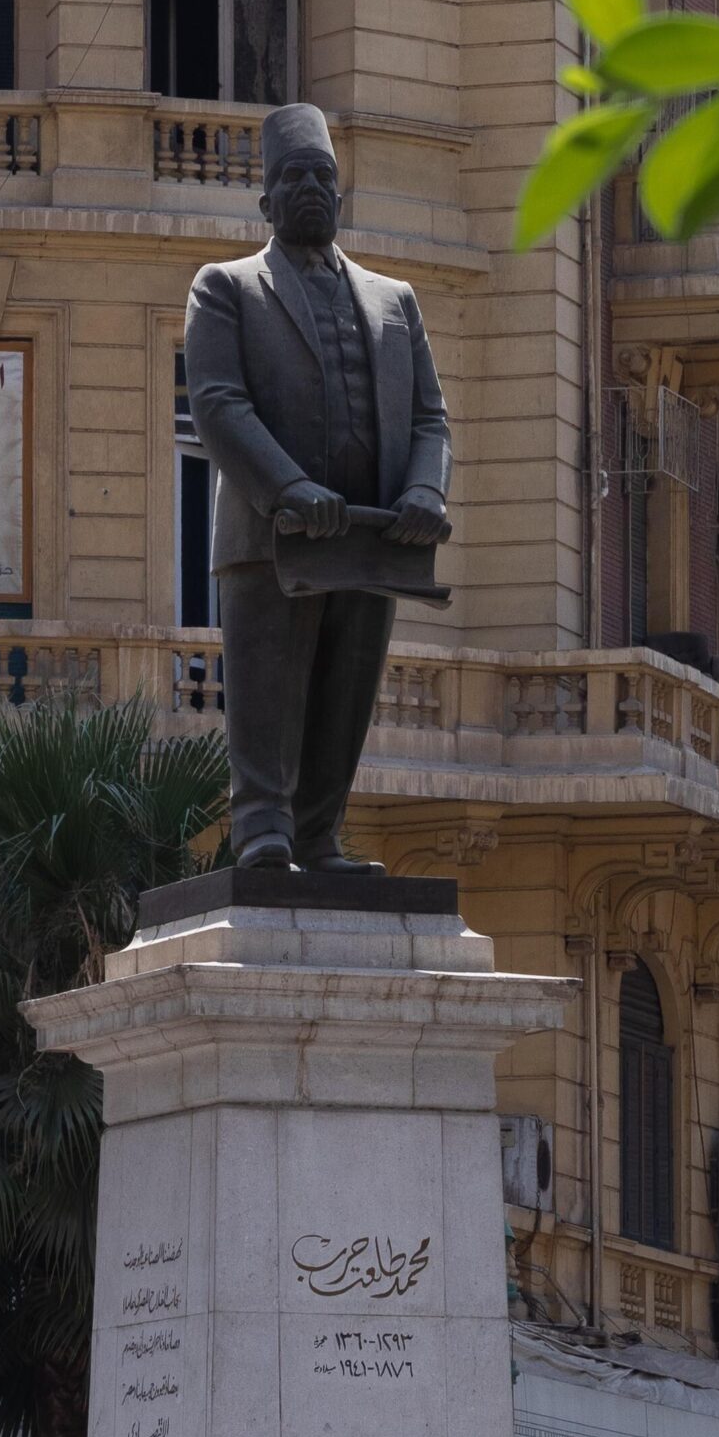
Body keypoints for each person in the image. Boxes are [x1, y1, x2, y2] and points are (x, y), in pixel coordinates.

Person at [183, 102, 452, 873]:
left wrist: (426, 494)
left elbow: (431, 415)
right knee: (269, 687)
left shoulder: (394, 300)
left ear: (341, 194)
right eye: (293, 177)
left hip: (372, 538)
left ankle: (318, 833)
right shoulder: (226, 287)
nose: (310, 188)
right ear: (266, 201)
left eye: (322, 177)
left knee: (346, 689)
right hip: (272, 536)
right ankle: (262, 827)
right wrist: (289, 487)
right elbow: (217, 403)